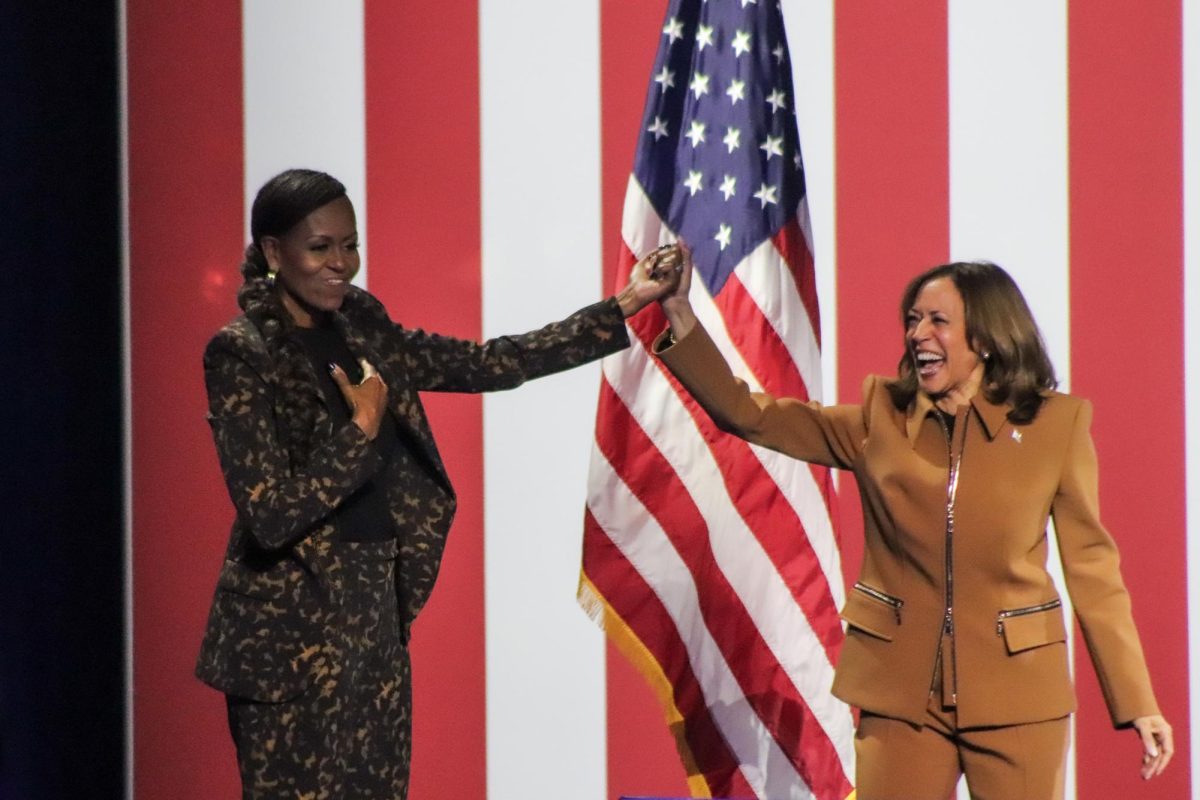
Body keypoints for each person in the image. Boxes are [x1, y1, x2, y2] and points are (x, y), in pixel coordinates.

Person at [194, 168, 683, 799]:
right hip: (286, 638)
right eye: (321, 248)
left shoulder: (362, 325)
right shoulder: (240, 354)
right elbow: (270, 515)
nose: (341, 263)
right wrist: (360, 430)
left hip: (373, 620)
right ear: (272, 253)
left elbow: (489, 362)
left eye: (350, 243)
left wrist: (624, 304)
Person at [652, 253, 1173, 799]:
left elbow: (1094, 573)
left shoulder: (1055, 427)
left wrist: (1136, 702)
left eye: (938, 321)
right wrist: (680, 313)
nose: (918, 334)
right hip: (900, 698)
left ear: (988, 339)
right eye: (912, 319)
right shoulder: (880, 420)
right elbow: (747, 413)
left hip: (1019, 696)